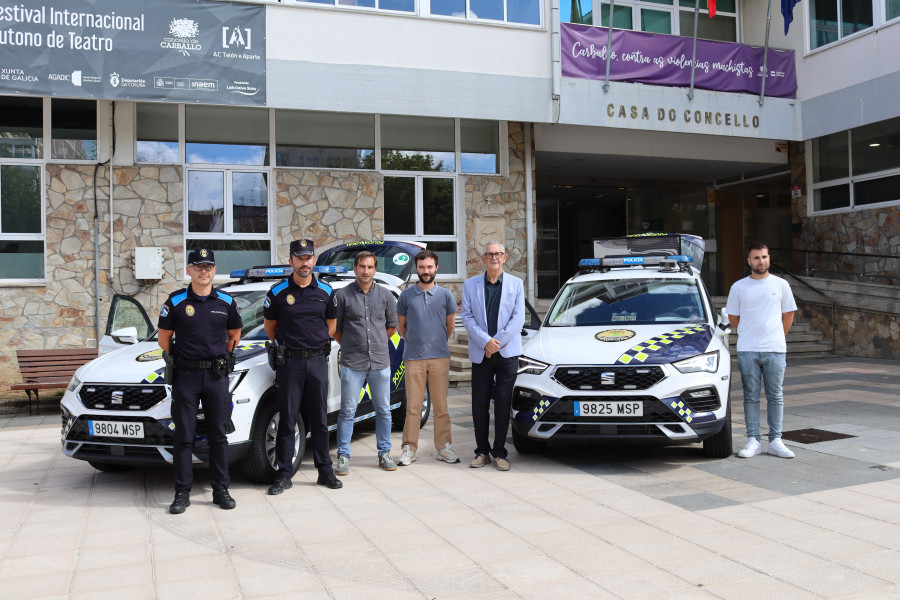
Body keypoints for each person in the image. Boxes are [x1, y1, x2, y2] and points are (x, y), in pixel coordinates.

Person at [158, 249, 242, 514]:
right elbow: (164, 339)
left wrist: (220, 358)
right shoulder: (176, 301)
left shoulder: (227, 301)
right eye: (198, 266)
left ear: (214, 271)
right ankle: (182, 493)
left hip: (216, 377)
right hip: (186, 377)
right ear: (189, 269)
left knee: (218, 434)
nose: (203, 271)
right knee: (184, 435)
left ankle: (221, 490)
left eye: (208, 267)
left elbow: (234, 335)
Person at [263, 239, 342, 494]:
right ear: (291, 261)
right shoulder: (277, 293)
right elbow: (270, 329)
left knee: (320, 419)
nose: (305, 262)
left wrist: (314, 344)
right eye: (300, 257)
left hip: (318, 361)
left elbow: (331, 326)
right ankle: (284, 474)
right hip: (291, 364)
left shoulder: (327, 292)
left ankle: (325, 471)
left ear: (314, 260)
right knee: (287, 420)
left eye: (309, 257)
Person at [726, 242, 798, 459]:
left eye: (764, 257)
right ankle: (753, 440)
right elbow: (734, 319)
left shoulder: (781, 284)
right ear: (749, 261)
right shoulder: (738, 287)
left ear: (769, 258)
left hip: (775, 349)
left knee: (776, 395)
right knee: (751, 396)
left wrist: (775, 336)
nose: (761, 261)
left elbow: (788, 315)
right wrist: (753, 332)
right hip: (748, 349)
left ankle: (775, 440)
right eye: (756, 258)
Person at [461, 241, 525, 471]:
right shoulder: (470, 285)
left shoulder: (517, 284)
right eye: (490, 254)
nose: (494, 258)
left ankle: (499, 452)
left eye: (498, 254)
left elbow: (518, 319)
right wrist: (485, 342)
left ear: (505, 257)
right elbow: (467, 317)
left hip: (506, 353)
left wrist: (495, 343)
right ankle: (482, 451)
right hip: (481, 353)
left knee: (502, 403)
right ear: (484, 258)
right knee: (479, 404)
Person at [333, 251, 399, 474]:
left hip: (380, 362)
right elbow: (337, 329)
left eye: (370, 267)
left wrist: (377, 343)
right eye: (362, 266)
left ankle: (384, 453)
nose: (366, 271)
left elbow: (391, 326)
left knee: (383, 410)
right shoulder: (342, 296)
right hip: (353, 363)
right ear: (355, 268)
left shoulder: (386, 296)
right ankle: (343, 455)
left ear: (375, 269)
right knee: (347, 411)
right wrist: (353, 345)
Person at [396, 249, 460, 466]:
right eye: (422, 267)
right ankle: (409, 448)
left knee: (441, 407)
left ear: (436, 268)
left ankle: (444, 447)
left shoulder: (445, 295)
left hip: (439, 357)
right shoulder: (406, 296)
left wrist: (434, 342)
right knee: (413, 407)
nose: (426, 271)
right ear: (417, 268)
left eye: (429, 267)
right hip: (413, 358)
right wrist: (417, 343)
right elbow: (401, 326)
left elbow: (449, 326)